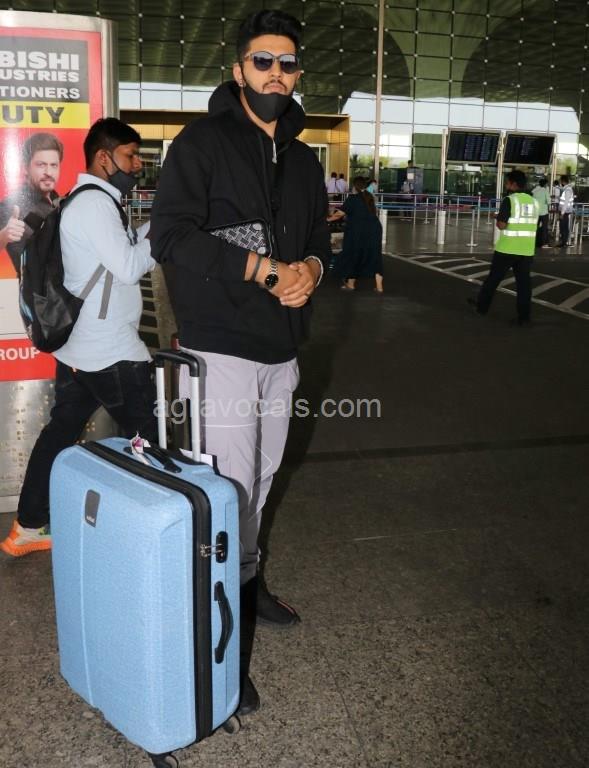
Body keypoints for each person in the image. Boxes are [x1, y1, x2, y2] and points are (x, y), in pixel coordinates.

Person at [150, 9, 330, 717]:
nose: (275, 74)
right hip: (220, 346)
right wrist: (263, 269)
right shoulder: (201, 144)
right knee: (226, 492)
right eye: (263, 61)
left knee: (260, 481)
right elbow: (170, 236)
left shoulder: (305, 159)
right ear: (238, 70)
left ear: (296, 74)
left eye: (286, 64)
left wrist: (310, 268)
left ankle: (247, 589)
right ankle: (217, 642)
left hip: (281, 350)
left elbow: (318, 240)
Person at [0, 118, 157, 558]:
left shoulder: (84, 200)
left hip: (80, 349)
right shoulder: (94, 205)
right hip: (110, 351)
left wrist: (152, 227)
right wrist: (163, 234)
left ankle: (28, 525)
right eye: (130, 156)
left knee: (60, 431)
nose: (137, 165)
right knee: (149, 438)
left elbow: (119, 252)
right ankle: (154, 534)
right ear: (104, 158)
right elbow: (129, 266)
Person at [469, 170, 539, 326]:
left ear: (514, 184)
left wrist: (498, 218)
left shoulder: (510, 200)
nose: (506, 185)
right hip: (526, 250)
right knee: (524, 285)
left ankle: (481, 308)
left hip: (507, 249)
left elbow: (502, 225)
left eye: (508, 182)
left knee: (493, 280)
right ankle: (524, 317)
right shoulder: (534, 202)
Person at [0, 132, 63, 272]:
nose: (49, 172)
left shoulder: (59, 201)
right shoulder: (11, 206)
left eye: (54, 165)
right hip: (33, 285)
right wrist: (3, 236)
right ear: (25, 168)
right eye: (41, 165)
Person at [328, 176, 384, 293]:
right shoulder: (369, 197)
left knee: (353, 253)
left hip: (358, 229)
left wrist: (326, 219)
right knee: (374, 255)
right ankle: (379, 287)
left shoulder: (353, 199)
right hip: (374, 229)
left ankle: (351, 284)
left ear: (354, 187)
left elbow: (338, 215)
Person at [531, 178, 551, 248]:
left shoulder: (534, 190)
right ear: (545, 184)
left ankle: (534, 242)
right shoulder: (545, 191)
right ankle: (544, 243)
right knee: (544, 228)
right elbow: (549, 202)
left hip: (536, 212)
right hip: (544, 212)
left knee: (535, 227)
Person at [558, 174, 574, 248]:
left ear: (563, 181)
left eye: (560, 181)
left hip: (565, 212)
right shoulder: (566, 189)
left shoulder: (567, 190)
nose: (560, 182)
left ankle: (564, 242)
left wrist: (562, 213)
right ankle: (563, 242)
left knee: (563, 227)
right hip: (565, 211)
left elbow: (566, 203)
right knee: (563, 227)